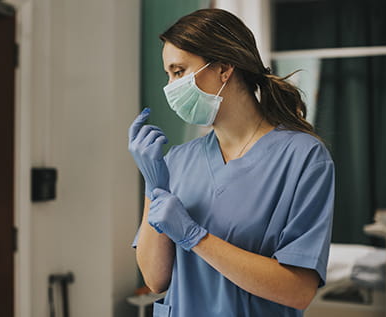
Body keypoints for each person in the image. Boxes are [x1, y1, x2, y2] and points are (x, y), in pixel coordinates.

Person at [128, 8, 334, 317]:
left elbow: (298, 291)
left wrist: (195, 237)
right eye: (168, 75)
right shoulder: (177, 161)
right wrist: (153, 186)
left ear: (224, 68)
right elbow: (156, 279)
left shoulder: (303, 157)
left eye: (179, 71)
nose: (170, 87)